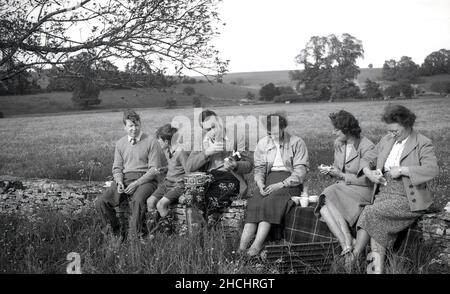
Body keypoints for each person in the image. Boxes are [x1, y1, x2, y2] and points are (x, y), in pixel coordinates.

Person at [352, 104, 439, 273]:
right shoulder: (387, 139)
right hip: (383, 193)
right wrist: (368, 172)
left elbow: (432, 169)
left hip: (407, 196)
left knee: (370, 212)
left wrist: (403, 170)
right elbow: (367, 158)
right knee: (377, 225)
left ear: (407, 125)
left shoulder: (422, 143)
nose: (392, 135)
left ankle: (354, 256)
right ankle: (375, 271)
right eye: (389, 131)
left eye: (395, 131)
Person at [238, 113, 309, 256]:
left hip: (289, 181)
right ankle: (241, 248)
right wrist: (260, 183)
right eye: (270, 133)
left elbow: (301, 171)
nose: (273, 136)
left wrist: (282, 184)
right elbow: (259, 168)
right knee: (255, 203)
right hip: (268, 179)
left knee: (270, 202)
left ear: (283, 127)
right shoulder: (263, 143)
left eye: (276, 132)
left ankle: (256, 247)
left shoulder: (297, 142)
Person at [95, 110, 167, 240]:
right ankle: (114, 234)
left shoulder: (151, 141)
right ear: (125, 127)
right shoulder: (120, 143)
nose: (134, 129)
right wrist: (119, 181)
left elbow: (154, 170)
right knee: (101, 202)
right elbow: (117, 168)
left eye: (137, 125)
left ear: (140, 124)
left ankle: (135, 236)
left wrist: (136, 183)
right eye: (130, 126)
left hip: (146, 180)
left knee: (138, 200)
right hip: (125, 179)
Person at [314, 110, 375, 258]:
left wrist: (341, 175)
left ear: (347, 129)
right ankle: (345, 243)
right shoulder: (339, 144)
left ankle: (347, 237)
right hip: (342, 188)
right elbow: (337, 168)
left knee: (327, 194)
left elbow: (368, 180)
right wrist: (330, 171)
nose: (333, 132)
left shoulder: (367, 147)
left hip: (362, 190)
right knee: (323, 208)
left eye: (336, 129)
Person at [185, 109, 253, 223]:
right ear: (203, 130)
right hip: (208, 178)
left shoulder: (237, 136)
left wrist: (236, 165)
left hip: (230, 177)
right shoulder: (201, 140)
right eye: (208, 129)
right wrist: (206, 153)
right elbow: (189, 167)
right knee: (192, 199)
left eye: (214, 126)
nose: (213, 131)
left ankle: (210, 231)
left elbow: (249, 165)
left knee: (212, 201)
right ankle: (197, 235)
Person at [146, 124, 190, 231]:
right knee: (150, 202)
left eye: (159, 140)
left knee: (161, 205)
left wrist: (187, 190)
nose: (158, 142)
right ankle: (154, 228)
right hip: (168, 183)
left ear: (166, 142)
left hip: (178, 185)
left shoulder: (181, 153)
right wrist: (165, 169)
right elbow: (174, 166)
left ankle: (168, 230)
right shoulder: (167, 150)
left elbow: (189, 171)